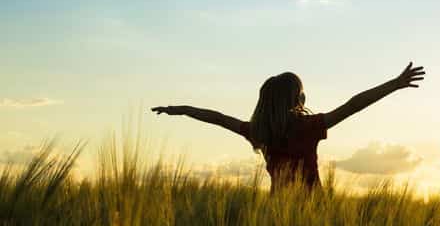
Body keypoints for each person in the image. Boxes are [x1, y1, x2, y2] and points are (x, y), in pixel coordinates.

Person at [151, 62, 425, 192]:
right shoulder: (308, 126)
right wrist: (394, 84)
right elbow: (353, 105)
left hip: (277, 211)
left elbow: (217, 117)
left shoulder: (258, 131)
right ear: (298, 98)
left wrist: (180, 110)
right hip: (314, 212)